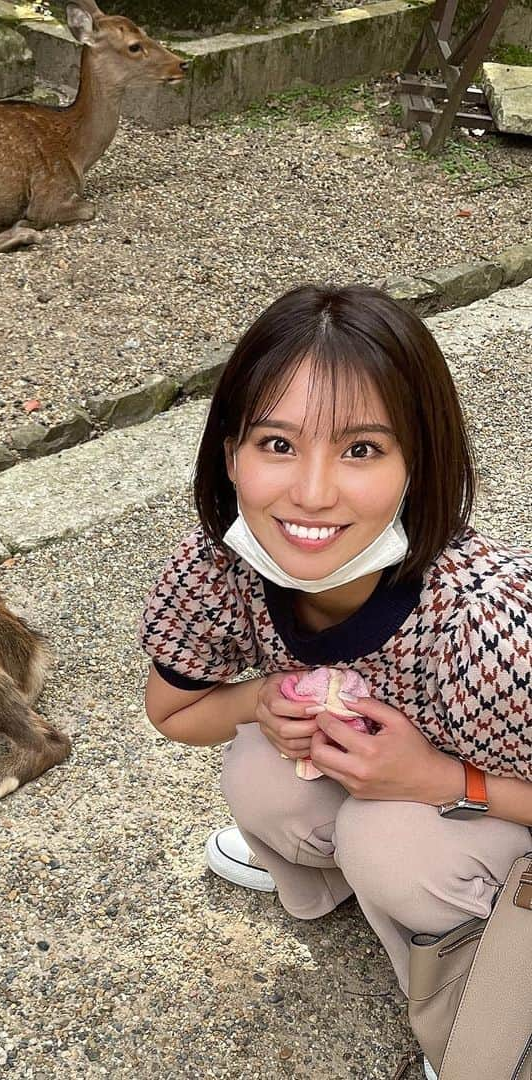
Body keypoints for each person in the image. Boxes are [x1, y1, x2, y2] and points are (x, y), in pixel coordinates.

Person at [139, 284, 531, 1079]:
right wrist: (257, 701)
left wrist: (439, 778)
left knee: (388, 841)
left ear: (418, 465)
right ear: (230, 454)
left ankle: (469, 1000)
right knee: (258, 764)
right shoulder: (217, 567)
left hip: (499, 802)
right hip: (390, 779)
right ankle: (334, 889)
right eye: (277, 445)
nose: (312, 493)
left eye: (361, 450)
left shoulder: (492, 622)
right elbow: (171, 709)